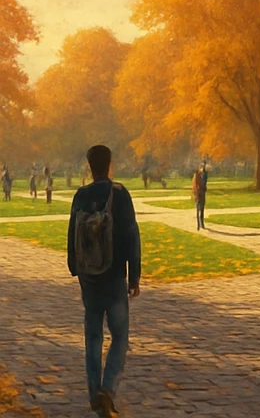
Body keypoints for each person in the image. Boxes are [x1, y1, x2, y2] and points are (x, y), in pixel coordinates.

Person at [67, 144, 141, 418]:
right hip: (114, 276)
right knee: (120, 336)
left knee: (93, 336)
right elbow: (132, 235)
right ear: (109, 165)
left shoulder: (81, 195)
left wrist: (75, 268)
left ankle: (93, 393)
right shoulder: (119, 194)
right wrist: (134, 275)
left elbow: (72, 233)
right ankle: (108, 389)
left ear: (89, 166)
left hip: (89, 278)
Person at [191, 162, 209, 231]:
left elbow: (205, 181)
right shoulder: (197, 175)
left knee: (202, 208)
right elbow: (195, 184)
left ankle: (201, 223)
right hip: (198, 193)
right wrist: (196, 193)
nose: (203, 169)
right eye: (202, 167)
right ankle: (198, 224)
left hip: (202, 192)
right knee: (198, 208)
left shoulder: (205, 174)